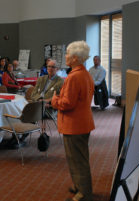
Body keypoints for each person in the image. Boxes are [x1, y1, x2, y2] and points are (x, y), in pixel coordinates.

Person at [51, 41, 95, 201]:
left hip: (74, 125)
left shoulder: (73, 77)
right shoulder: (85, 74)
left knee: (77, 160)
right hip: (83, 123)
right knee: (79, 158)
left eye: (68, 54)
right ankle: (80, 186)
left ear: (75, 58)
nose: (66, 56)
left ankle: (84, 192)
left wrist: (54, 100)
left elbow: (67, 104)